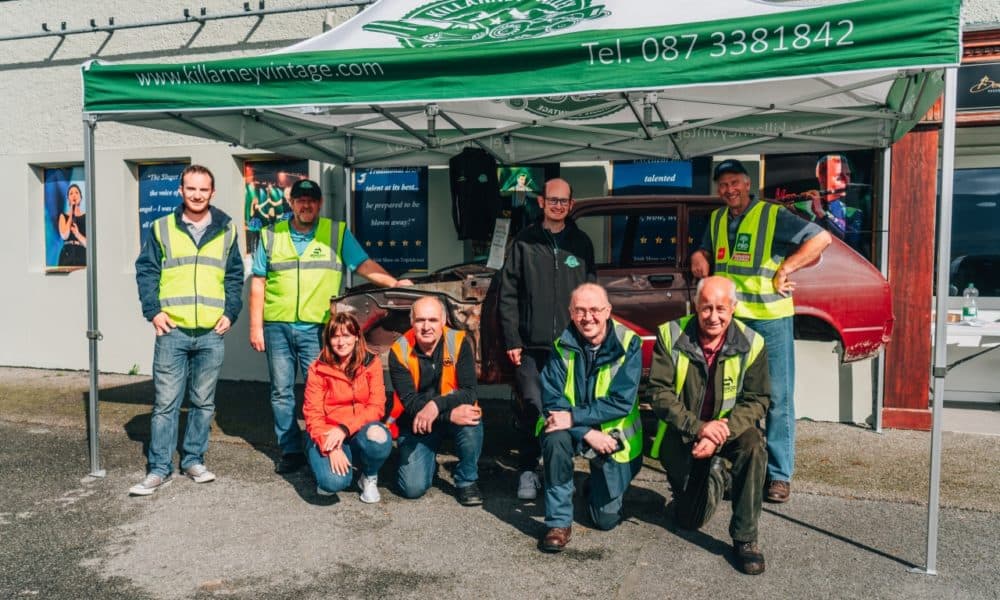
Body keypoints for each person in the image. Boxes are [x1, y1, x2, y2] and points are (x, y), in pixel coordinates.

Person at [691, 159, 831, 504]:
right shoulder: (717, 218)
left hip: (770, 318)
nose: (729, 190)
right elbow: (709, 249)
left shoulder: (771, 215)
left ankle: (779, 475)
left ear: (747, 183)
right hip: (733, 321)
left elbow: (821, 238)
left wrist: (788, 266)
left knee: (778, 397)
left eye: (735, 182)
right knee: (731, 395)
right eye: (723, 184)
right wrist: (699, 253)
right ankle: (738, 465)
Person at [249, 178, 412, 475]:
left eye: (311, 200)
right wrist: (255, 327)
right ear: (291, 202)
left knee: (324, 391)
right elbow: (258, 281)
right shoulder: (270, 234)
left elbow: (362, 264)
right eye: (300, 199)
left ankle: (325, 443)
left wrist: (394, 284)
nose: (305, 205)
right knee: (281, 391)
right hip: (278, 325)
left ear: (319, 203)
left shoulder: (335, 232)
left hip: (318, 327)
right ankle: (290, 449)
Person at [130, 164, 243, 496]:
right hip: (173, 330)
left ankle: (193, 459)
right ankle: (159, 469)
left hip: (211, 331)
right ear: (181, 191)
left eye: (203, 189)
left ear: (212, 192)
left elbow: (234, 275)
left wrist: (231, 312)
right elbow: (146, 270)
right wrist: (153, 311)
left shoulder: (227, 229)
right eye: (190, 189)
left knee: (203, 402)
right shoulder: (162, 227)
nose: (196, 194)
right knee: (165, 402)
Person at [647, 276, 771, 575]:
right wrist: (699, 428)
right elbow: (659, 394)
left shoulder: (753, 343)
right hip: (686, 431)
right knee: (688, 520)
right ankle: (718, 478)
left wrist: (720, 433)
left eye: (720, 309)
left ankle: (746, 538)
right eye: (705, 308)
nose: (713, 317)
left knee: (754, 445)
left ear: (733, 308)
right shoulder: (671, 334)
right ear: (694, 306)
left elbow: (758, 399)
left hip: (729, 431)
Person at [498, 177, 596, 501]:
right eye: (552, 200)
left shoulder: (581, 244)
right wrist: (512, 338)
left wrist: (589, 336)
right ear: (541, 202)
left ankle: (557, 469)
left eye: (563, 201)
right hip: (530, 347)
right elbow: (508, 293)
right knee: (532, 407)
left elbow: (590, 294)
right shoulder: (523, 242)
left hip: (570, 347)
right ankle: (528, 469)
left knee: (565, 408)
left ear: (571, 204)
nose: (557, 205)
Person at [538, 283, 643, 553]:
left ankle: (591, 486)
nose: (588, 318)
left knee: (605, 520)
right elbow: (552, 400)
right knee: (554, 437)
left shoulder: (628, 342)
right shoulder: (561, 345)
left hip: (613, 439)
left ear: (608, 311)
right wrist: (585, 432)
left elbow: (621, 401)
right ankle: (559, 523)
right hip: (578, 432)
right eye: (580, 311)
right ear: (571, 312)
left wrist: (574, 419)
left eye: (595, 310)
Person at [388, 296, 483, 506]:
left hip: (454, 417)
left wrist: (436, 406)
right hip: (416, 422)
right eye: (420, 320)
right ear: (412, 322)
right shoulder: (399, 350)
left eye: (432, 320)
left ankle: (467, 480)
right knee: (412, 489)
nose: (426, 326)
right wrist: (447, 414)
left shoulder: (459, 342)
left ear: (444, 320)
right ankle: (427, 460)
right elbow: (410, 402)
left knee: (471, 418)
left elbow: (469, 391)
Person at [303, 312, 392, 502]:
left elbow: (377, 407)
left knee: (380, 437)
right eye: (335, 336)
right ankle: (320, 458)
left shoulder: (371, 362)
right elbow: (313, 414)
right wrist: (331, 449)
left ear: (357, 337)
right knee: (333, 482)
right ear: (328, 339)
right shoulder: (317, 369)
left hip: (358, 429)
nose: (341, 342)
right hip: (328, 432)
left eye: (346, 335)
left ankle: (368, 476)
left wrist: (345, 429)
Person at [797, 154, 865, 250]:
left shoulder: (853, 214)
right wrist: (784, 208)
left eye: (848, 175)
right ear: (822, 178)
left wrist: (821, 213)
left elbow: (848, 245)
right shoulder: (800, 208)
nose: (847, 181)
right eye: (839, 177)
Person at [57, 183, 87, 267]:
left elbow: (89, 244)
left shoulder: (86, 217)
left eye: (77, 193)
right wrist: (71, 213)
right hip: (67, 255)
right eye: (71, 193)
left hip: (82, 254)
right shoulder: (63, 216)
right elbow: (64, 235)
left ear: (81, 198)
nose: (74, 195)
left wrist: (77, 234)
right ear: (68, 199)